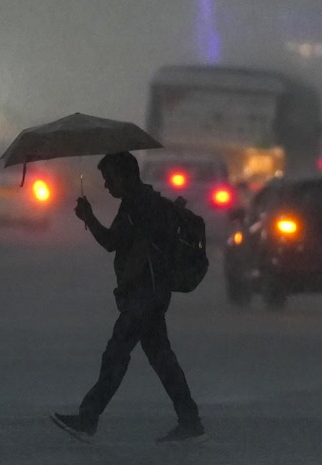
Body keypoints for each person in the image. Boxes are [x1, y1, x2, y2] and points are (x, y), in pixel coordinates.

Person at [51, 152, 205, 443]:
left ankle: (88, 418)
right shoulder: (142, 202)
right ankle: (190, 421)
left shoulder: (139, 206)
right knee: (161, 359)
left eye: (110, 178)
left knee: (116, 353)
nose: (107, 185)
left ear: (127, 175)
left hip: (144, 294)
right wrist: (90, 217)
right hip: (153, 291)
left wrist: (125, 287)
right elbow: (116, 243)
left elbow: (130, 249)